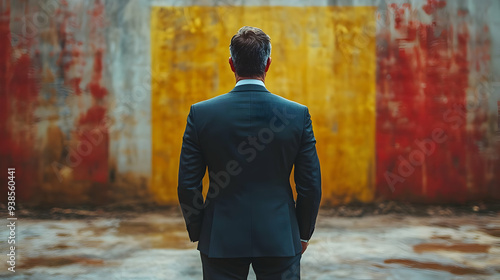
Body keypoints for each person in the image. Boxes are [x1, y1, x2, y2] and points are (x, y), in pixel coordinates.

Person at [177, 26, 321, 280]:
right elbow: (310, 186)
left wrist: (202, 231)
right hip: (279, 236)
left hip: (220, 237)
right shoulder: (297, 115)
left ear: (232, 64)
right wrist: (301, 234)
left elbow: (188, 185)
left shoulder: (201, 114)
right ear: (268, 64)